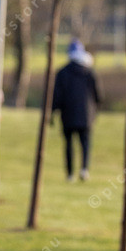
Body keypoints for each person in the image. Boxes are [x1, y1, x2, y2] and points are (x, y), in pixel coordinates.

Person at [52, 39, 101, 182]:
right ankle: (84, 169)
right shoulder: (90, 72)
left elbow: (57, 95)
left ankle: (70, 174)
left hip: (67, 115)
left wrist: (53, 111)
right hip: (86, 115)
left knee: (68, 145)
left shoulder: (62, 72)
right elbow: (98, 95)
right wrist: (95, 109)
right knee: (85, 143)